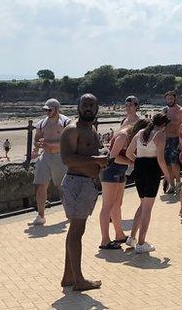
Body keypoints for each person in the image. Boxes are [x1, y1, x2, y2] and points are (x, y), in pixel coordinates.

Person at [58, 93, 108, 292]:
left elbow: (90, 155)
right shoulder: (72, 130)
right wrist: (96, 159)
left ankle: (68, 276)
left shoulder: (91, 130)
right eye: (85, 104)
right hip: (76, 184)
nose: (88, 107)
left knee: (75, 231)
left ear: (97, 109)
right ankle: (78, 280)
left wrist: (101, 158)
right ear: (78, 107)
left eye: (92, 105)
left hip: (87, 184)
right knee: (76, 232)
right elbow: (67, 160)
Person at [97, 108, 139, 250]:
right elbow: (113, 157)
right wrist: (131, 162)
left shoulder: (129, 136)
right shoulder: (123, 136)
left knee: (117, 204)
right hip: (111, 171)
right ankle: (104, 240)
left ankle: (119, 234)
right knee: (107, 206)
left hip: (120, 172)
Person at [125, 115, 166, 254]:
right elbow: (160, 159)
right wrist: (168, 176)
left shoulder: (139, 133)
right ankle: (141, 242)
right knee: (148, 208)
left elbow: (129, 153)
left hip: (140, 167)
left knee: (142, 205)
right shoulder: (159, 135)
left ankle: (132, 237)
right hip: (152, 169)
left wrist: (138, 161)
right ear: (163, 125)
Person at [31, 99, 71, 226]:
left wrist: (50, 144)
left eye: (49, 110)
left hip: (60, 157)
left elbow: (68, 142)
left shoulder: (66, 122)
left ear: (57, 109)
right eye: (45, 110)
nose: (47, 112)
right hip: (46, 156)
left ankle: (70, 212)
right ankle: (41, 215)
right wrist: (38, 146)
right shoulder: (41, 124)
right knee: (40, 184)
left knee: (62, 186)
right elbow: (36, 139)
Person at [162, 91, 182, 196]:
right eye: (168, 99)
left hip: (176, 138)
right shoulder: (164, 110)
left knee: (174, 162)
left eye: (171, 98)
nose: (169, 100)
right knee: (167, 164)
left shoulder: (180, 110)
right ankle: (171, 184)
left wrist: (181, 141)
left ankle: (178, 182)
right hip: (166, 139)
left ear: (175, 99)